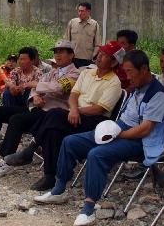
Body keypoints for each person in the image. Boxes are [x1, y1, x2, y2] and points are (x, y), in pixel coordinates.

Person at [33, 50, 164, 226]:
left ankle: (88, 209)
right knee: (70, 142)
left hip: (140, 141)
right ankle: (58, 189)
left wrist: (117, 135)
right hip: (118, 129)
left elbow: (145, 129)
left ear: (144, 69)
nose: (128, 77)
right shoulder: (137, 89)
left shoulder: (158, 95)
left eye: (130, 72)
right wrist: (112, 131)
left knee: (97, 154)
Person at [25, 41, 123, 191]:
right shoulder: (86, 73)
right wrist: (73, 110)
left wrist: (76, 111)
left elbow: (99, 109)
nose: (99, 57)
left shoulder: (114, 83)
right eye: (100, 53)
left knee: (54, 114)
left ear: (114, 62)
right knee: (53, 131)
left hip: (95, 121)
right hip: (76, 113)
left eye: (104, 56)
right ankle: (51, 176)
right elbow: (74, 94)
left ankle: (31, 148)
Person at [0, 40, 81, 171]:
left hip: (55, 112)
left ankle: (6, 161)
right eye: (55, 52)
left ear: (71, 55)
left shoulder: (75, 74)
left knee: (17, 120)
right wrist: (35, 96)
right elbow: (34, 88)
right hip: (39, 108)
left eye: (61, 52)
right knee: (0, 111)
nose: (57, 55)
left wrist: (36, 86)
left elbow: (58, 87)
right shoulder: (53, 72)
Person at [64, 2, 100, 68]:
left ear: (88, 11)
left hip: (87, 60)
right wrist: (67, 56)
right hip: (73, 58)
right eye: (79, 11)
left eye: (82, 11)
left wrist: (93, 57)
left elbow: (97, 44)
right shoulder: (72, 22)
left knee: (84, 77)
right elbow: (66, 41)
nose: (80, 13)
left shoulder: (94, 24)